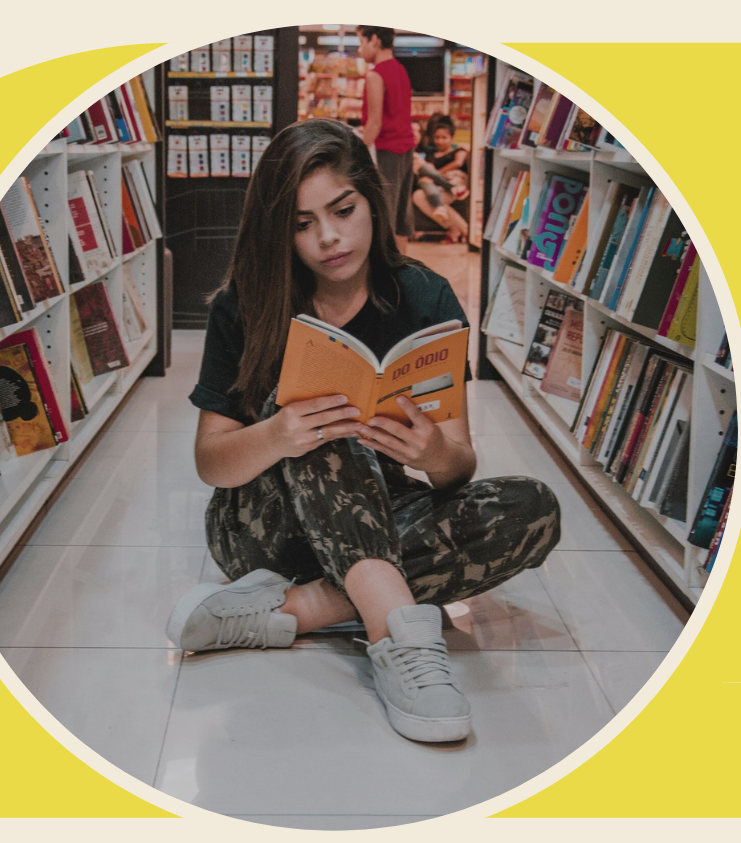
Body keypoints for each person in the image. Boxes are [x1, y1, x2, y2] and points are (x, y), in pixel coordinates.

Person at [169, 118, 562, 744]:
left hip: (374, 515)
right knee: (324, 412)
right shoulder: (243, 304)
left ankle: (298, 610)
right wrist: (279, 433)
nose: (329, 237)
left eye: (343, 210)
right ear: (280, 230)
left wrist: (433, 451)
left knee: (533, 508)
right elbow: (211, 463)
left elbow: (458, 467)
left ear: (371, 202)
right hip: (261, 533)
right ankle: (398, 638)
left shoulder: (426, 298)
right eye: (302, 223)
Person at [356, 25, 417, 255]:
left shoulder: (375, 74)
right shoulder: (401, 70)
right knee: (401, 217)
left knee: (383, 218)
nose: (360, 50)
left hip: (385, 152)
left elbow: (374, 124)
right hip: (406, 150)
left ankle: (383, 276)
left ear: (374, 40)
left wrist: (354, 154)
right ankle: (401, 272)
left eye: (361, 42)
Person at [413, 113, 471, 242]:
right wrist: (434, 176)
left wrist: (437, 173)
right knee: (418, 195)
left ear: (452, 138)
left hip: (456, 181)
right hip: (439, 187)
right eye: (437, 137)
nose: (440, 141)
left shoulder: (459, 150)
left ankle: (464, 230)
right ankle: (461, 229)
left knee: (427, 194)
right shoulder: (432, 155)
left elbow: (458, 163)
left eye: (444, 137)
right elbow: (428, 171)